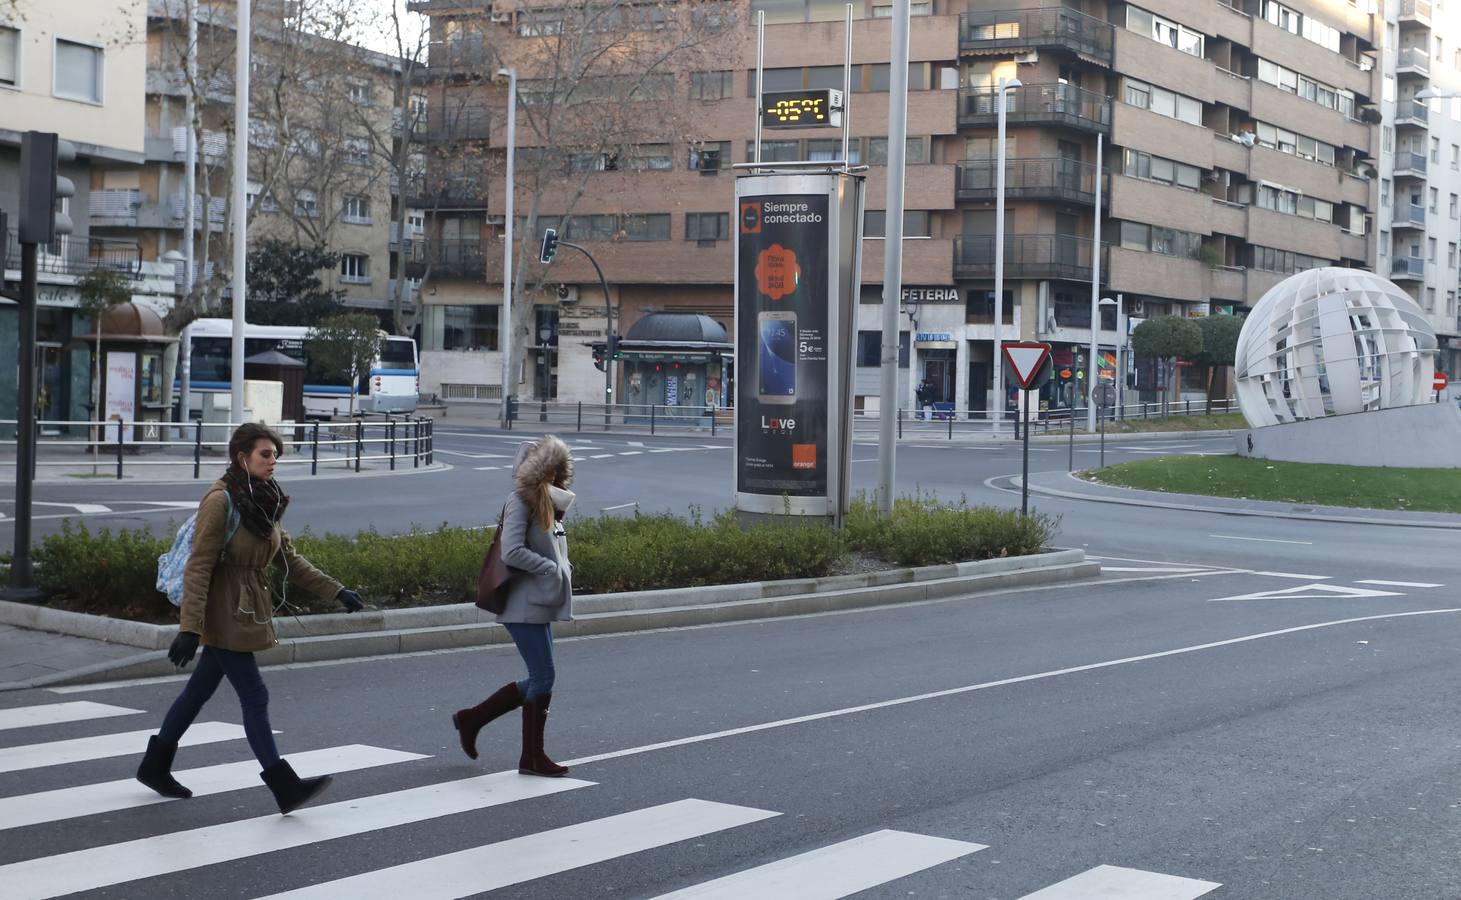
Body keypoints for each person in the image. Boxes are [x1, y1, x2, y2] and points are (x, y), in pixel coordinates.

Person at [135, 422, 365, 815]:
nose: (273, 460)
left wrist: (337, 591)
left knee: (198, 691)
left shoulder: (264, 500)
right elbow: (199, 565)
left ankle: (155, 765)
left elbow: (289, 559)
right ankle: (283, 784)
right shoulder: (221, 500)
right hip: (223, 610)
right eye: (265, 454)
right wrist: (190, 628)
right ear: (242, 457)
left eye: (275, 454)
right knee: (254, 695)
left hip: (245, 608)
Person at [452, 435, 575, 777]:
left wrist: (561, 566)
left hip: (537, 601)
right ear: (531, 471)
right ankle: (531, 757)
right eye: (546, 470)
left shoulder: (545, 502)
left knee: (541, 676)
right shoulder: (520, 501)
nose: (551, 476)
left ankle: (472, 719)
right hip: (522, 602)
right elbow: (512, 552)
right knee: (544, 676)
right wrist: (551, 568)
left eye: (556, 470)